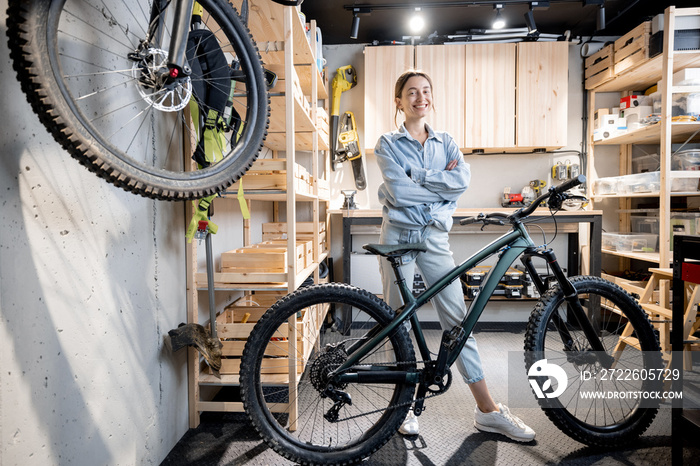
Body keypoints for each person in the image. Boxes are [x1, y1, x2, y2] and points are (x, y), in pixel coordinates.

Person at [373, 69, 535, 442]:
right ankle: (402, 409)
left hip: (433, 237)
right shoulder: (387, 143)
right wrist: (436, 186)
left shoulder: (446, 142)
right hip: (398, 235)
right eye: (411, 92)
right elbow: (399, 194)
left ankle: (488, 411)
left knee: (457, 323)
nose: (420, 98)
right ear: (398, 101)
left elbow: (461, 182)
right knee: (397, 321)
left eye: (425, 91)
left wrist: (418, 176)